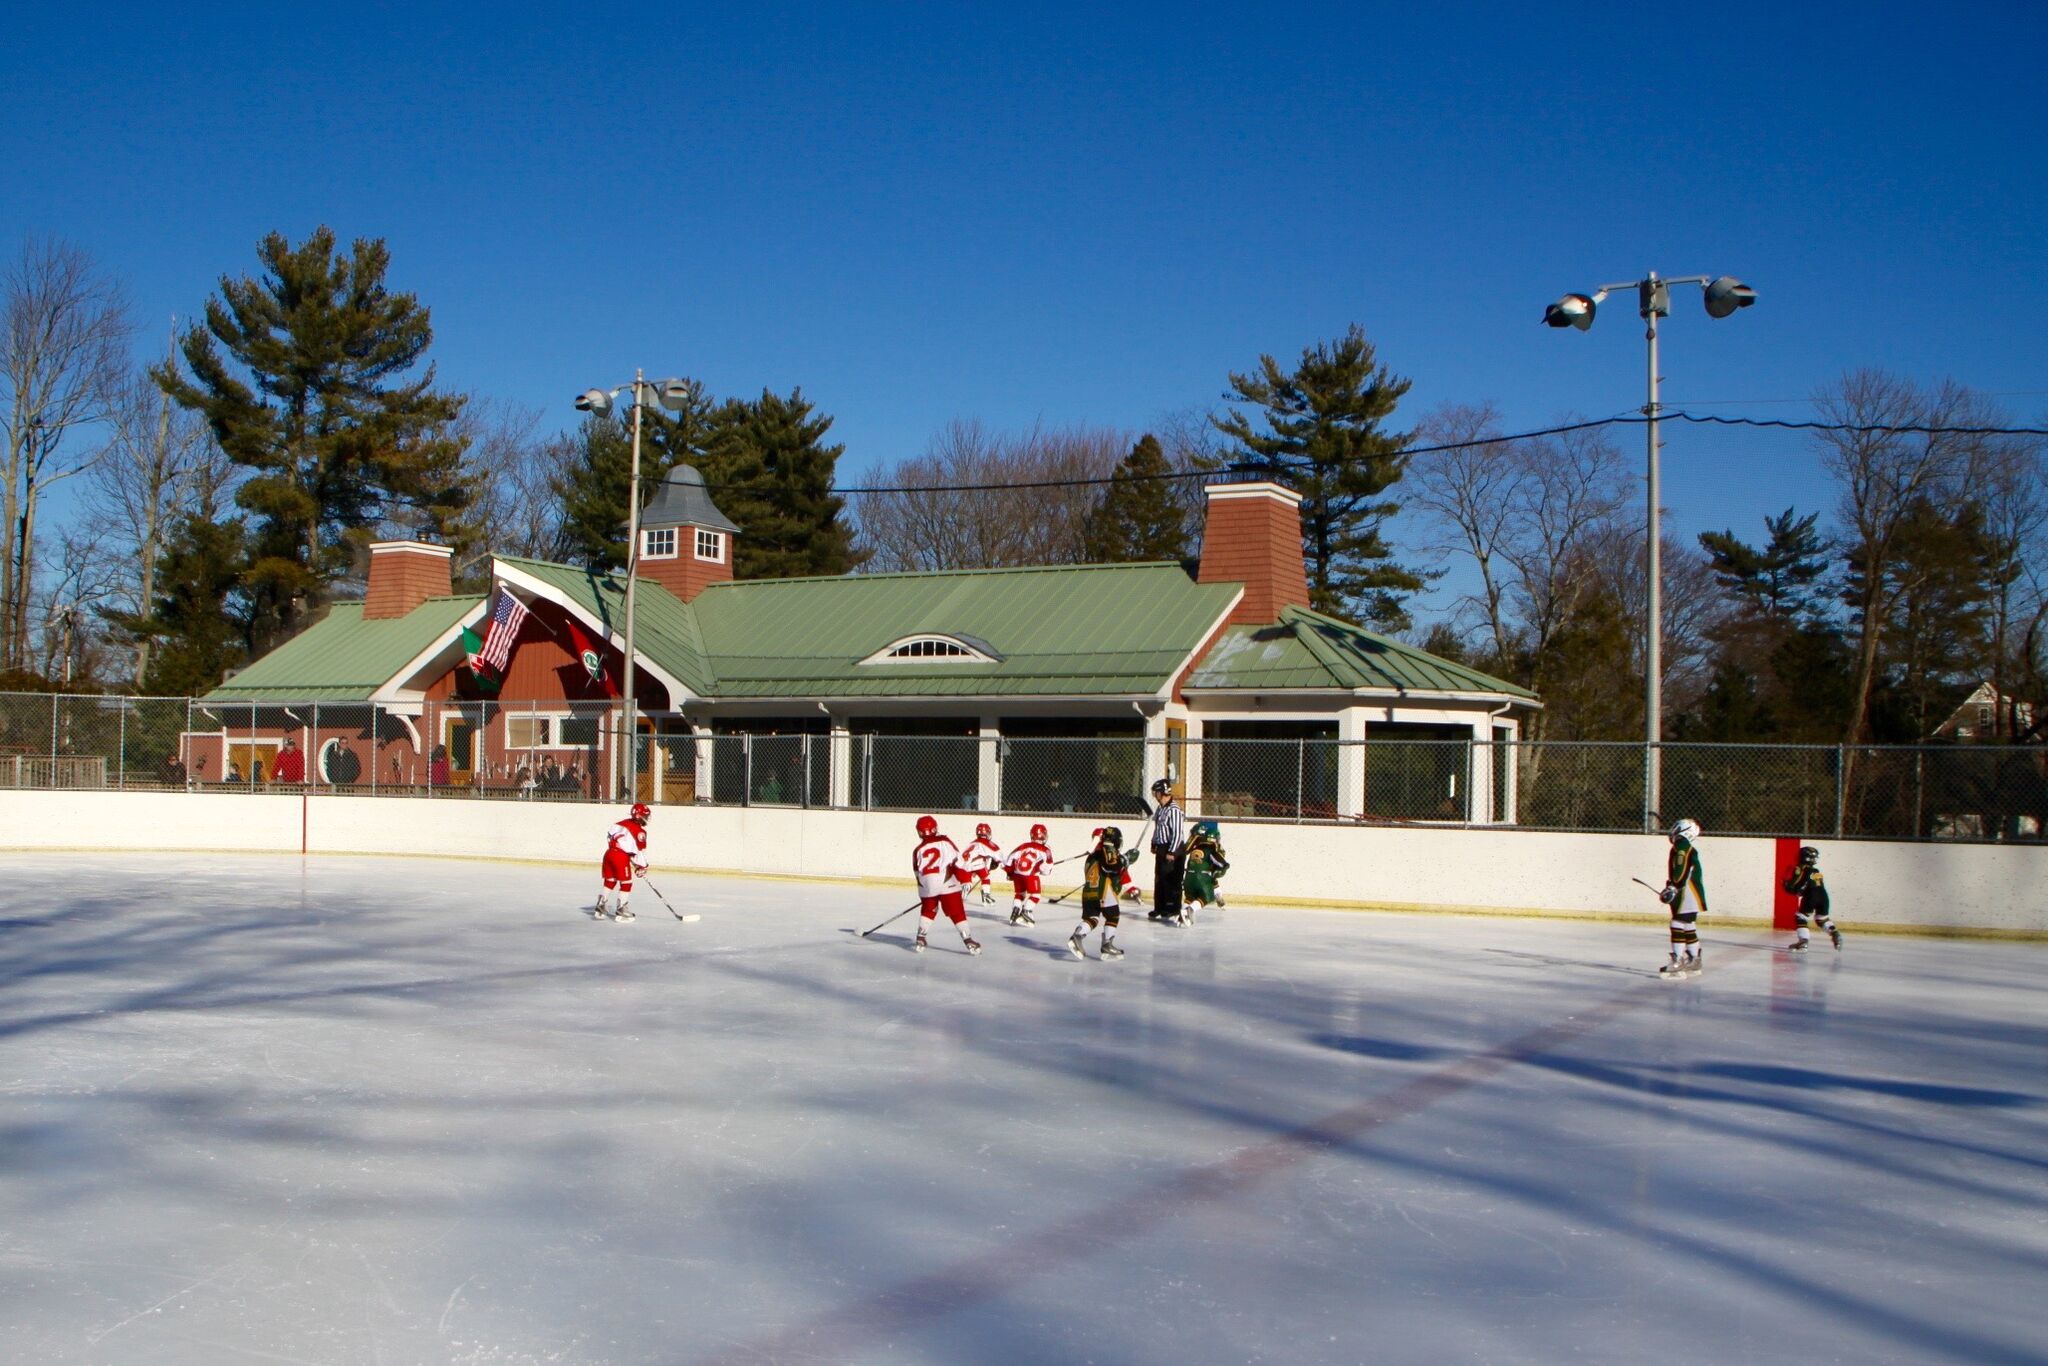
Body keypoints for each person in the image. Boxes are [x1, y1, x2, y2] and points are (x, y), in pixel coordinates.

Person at [911, 815, 980, 955]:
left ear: (919, 831)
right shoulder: (944, 841)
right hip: (946, 883)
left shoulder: (917, 850)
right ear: (935, 828)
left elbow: (917, 874)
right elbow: (958, 861)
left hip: (927, 887)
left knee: (928, 910)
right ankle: (968, 941)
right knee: (956, 912)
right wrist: (966, 878)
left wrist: (925, 896)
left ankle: (921, 937)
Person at [1069, 826, 1141, 960]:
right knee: (1113, 916)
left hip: (1088, 892)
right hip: (1103, 892)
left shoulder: (1092, 856)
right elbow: (1112, 866)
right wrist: (1126, 859)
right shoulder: (1108, 849)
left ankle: (1078, 935)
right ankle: (1107, 944)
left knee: (1092, 919)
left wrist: (1124, 863)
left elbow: (1114, 870)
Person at [1658, 818, 1708, 977]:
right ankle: (1694, 959)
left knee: (1677, 922)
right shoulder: (1683, 847)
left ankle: (1677, 960)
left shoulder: (1682, 847)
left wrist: (1673, 886)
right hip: (1691, 892)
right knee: (1688, 924)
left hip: (1687, 892)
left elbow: (1681, 870)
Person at [596, 802, 652, 921]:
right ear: (639, 816)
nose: (647, 818)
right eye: (645, 816)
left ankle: (601, 904)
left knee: (610, 880)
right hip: (620, 857)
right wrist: (642, 866)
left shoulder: (619, 823)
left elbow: (614, 839)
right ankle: (621, 908)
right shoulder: (640, 832)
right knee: (626, 882)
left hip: (609, 854)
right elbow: (639, 852)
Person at [1143, 778, 1188, 924]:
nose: (1154, 795)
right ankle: (1160, 907)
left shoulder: (1174, 810)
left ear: (1162, 793)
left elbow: (1177, 833)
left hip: (1173, 849)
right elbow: (1158, 828)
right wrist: (1154, 842)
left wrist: (1172, 852)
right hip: (1162, 848)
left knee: (1171, 879)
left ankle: (1172, 908)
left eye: (1156, 792)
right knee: (1159, 878)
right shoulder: (1161, 808)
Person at [1783, 845, 1843, 952]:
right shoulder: (1816, 871)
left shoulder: (1802, 869)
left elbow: (1803, 885)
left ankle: (1803, 942)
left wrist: (1789, 887)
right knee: (1821, 918)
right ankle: (1835, 933)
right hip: (1823, 896)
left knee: (1801, 917)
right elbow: (1815, 883)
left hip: (1812, 895)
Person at [1002, 823, 1054, 926]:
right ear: (1044, 835)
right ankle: (1026, 911)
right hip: (1031, 875)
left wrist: (1009, 872)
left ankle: (1015, 912)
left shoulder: (1023, 846)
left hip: (1017, 874)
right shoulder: (1046, 850)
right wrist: (1043, 871)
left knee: (1020, 894)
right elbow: (1048, 866)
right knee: (1036, 895)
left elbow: (1010, 858)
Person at [1180, 820, 1230, 923]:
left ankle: (1182, 911)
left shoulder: (1194, 847)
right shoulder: (1212, 848)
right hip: (1203, 876)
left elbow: (1185, 851)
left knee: (1190, 896)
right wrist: (1224, 868)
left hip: (1188, 877)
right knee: (1207, 897)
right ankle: (1191, 909)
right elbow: (1221, 863)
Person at [957, 821, 1001, 905]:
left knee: (967, 883)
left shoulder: (972, 843)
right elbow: (995, 855)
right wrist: (996, 862)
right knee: (985, 877)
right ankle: (986, 896)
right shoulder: (986, 843)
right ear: (988, 833)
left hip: (964, 865)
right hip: (978, 863)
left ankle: (962, 893)